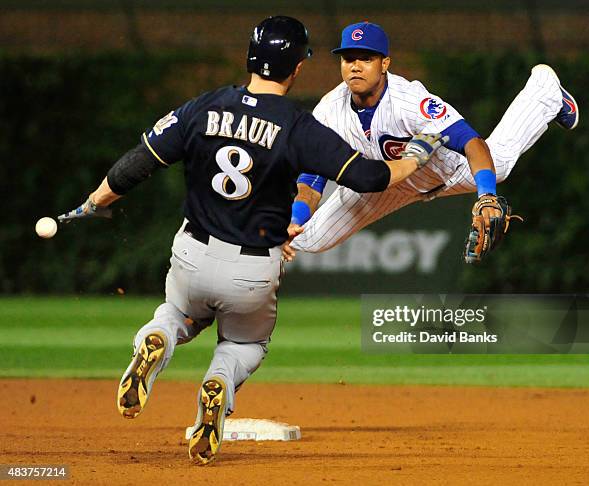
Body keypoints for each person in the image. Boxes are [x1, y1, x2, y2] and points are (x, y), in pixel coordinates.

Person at [57, 16, 447, 465]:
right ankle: (219, 386)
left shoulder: (204, 106)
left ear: (249, 58)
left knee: (176, 313)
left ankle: (158, 337)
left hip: (191, 252)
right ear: (297, 69)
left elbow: (137, 164)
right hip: (253, 270)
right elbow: (371, 177)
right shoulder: (299, 127)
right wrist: (416, 155)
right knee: (244, 346)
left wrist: (92, 202)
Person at [284, 21, 578, 262]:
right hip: (384, 184)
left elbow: (471, 142)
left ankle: (544, 89)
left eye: (366, 58)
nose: (356, 66)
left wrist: (485, 195)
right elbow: (313, 176)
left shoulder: (411, 101)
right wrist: (295, 219)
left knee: (496, 165)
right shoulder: (328, 110)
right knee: (305, 239)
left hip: (451, 171)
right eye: (349, 58)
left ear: (385, 63)